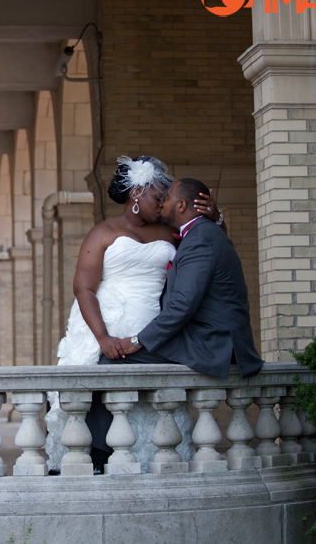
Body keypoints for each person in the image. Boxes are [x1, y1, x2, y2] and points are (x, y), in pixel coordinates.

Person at [44, 156, 220, 472]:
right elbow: (84, 288)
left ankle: (153, 457)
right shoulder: (103, 232)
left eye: (167, 198)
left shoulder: (170, 233)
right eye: (159, 196)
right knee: (97, 381)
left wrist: (215, 220)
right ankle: (96, 456)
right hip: (106, 322)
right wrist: (102, 336)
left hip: (154, 323)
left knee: (152, 397)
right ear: (137, 193)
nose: (163, 203)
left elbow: (206, 253)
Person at [84, 177, 264, 471]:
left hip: (211, 341)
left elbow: (182, 306)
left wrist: (136, 341)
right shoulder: (198, 234)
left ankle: (99, 456)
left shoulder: (200, 239)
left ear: (180, 205)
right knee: (105, 359)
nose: (163, 203)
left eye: (167, 199)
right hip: (202, 333)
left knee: (109, 363)